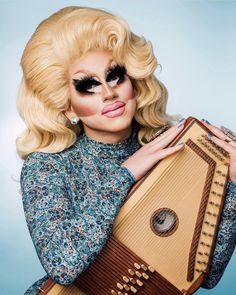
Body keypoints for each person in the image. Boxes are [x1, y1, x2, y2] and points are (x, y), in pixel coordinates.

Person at [16, 6, 236, 295]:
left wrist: (231, 186)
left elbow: (205, 276)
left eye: (115, 75)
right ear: (67, 106)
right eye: (88, 86)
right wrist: (126, 173)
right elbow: (63, 264)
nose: (109, 92)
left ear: (133, 80)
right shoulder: (47, 167)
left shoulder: (175, 148)